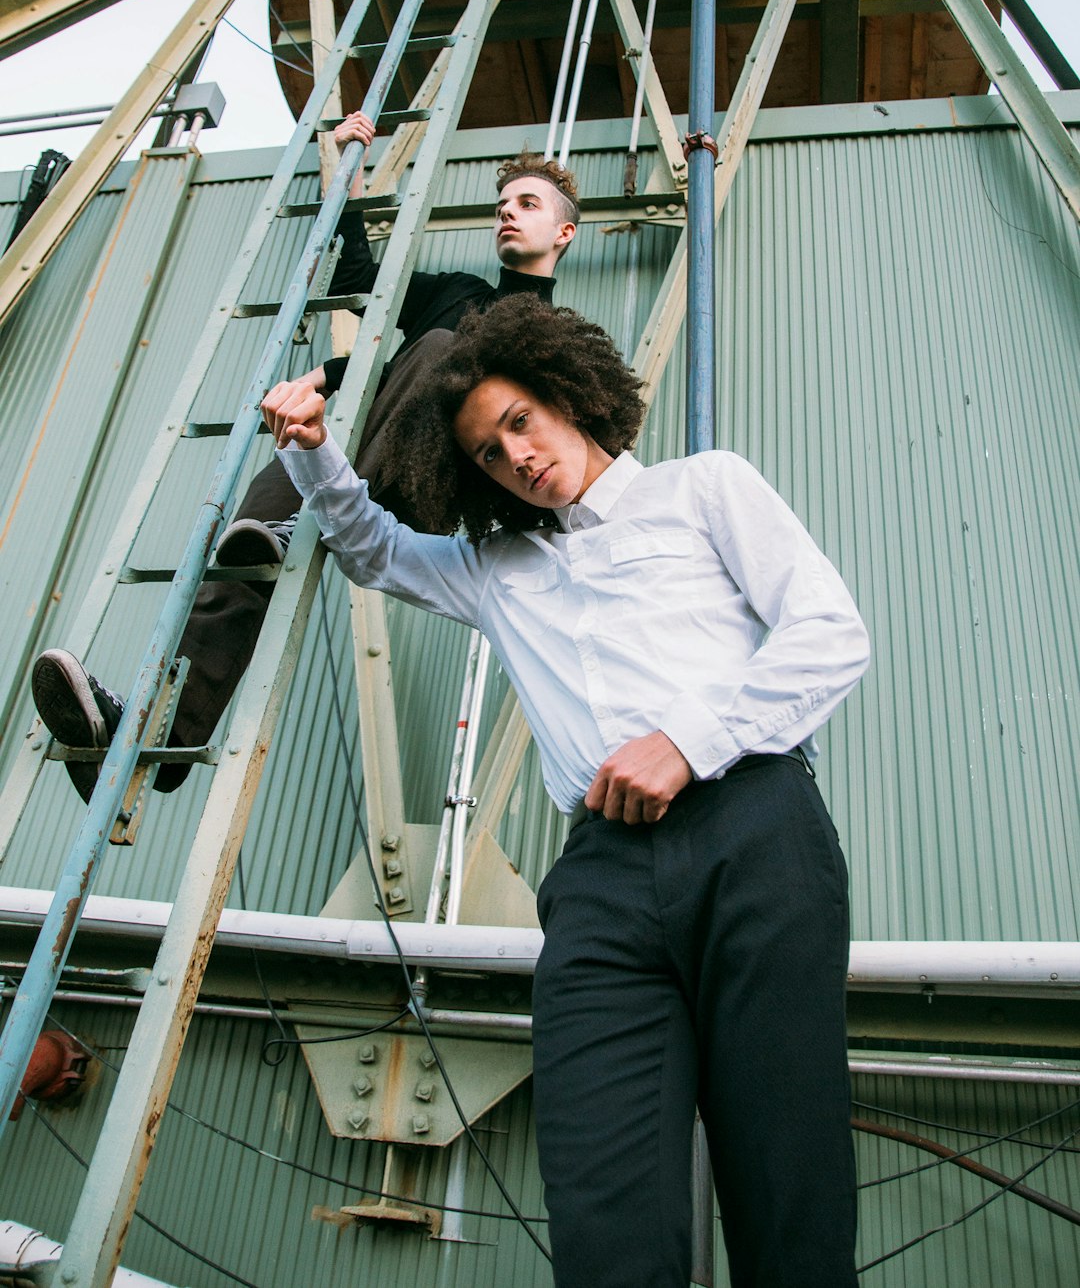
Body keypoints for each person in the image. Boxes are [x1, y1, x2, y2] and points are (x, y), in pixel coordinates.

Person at [264, 294, 870, 1288]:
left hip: (755, 832)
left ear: (564, 395)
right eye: (490, 457)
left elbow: (830, 633)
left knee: (788, 1182)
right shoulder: (494, 568)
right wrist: (310, 449)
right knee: (601, 1208)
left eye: (519, 423)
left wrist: (687, 742)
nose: (517, 458)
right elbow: (370, 548)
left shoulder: (703, 490)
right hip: (601, 880)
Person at [31, 116, 580, 795]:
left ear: (563, 232)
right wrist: (344, 165)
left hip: (424, 495)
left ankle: (319, 513)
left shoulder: (553, 338)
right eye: (503, 205)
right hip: (349, 450)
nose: (507, 214)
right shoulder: (457, 293)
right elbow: (361, 286)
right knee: (248, 537)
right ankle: (152, 739)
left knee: (442, 354)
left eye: (527, 205)